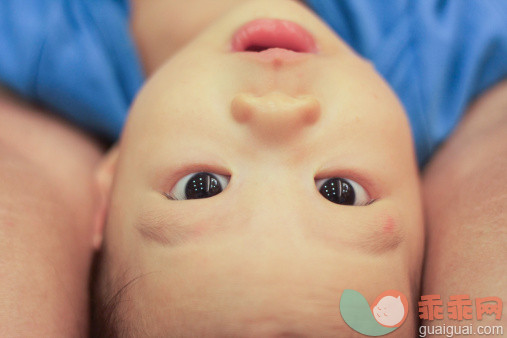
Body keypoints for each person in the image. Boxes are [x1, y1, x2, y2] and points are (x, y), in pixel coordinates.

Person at [0, 0, 505, 336]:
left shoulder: (42, 39)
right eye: (339, 191)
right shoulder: (445, 40)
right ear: (427, 201)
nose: (276, 113)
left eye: (202, 187)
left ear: (105, 190)